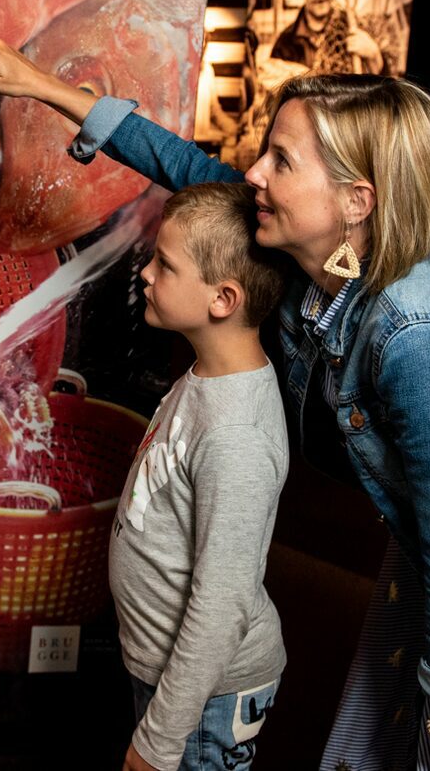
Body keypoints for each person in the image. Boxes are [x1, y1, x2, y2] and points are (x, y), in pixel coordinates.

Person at [0, 17, 430, 771]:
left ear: (356, 200)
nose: (253, 174)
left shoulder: (421, 332)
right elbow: (180, 162)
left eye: (281, 161)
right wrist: (42, 86)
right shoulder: (311, 261)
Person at [111, 181, 291, 771]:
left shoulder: (236, 437)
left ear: (223, 299)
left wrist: (159, 740)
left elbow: (222, 605)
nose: (146, 273)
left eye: (165, 264)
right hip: (167, 682)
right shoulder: (204, 376)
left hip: (202, 704)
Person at [230, 0, 396, 169]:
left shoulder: (354, 29)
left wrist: (375, 56)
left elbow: (381, 95)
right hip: (304, 143)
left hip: (346, 142)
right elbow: (276, 96)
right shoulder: (287, 40)